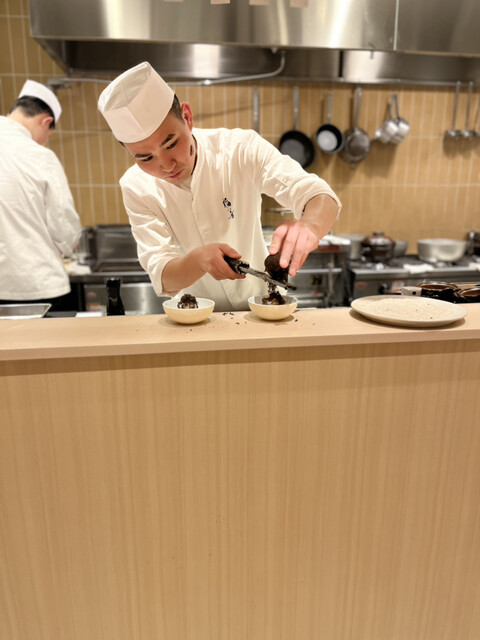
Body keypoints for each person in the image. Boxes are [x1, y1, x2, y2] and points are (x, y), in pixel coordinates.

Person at [98, 61, 341, 312]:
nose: (167, 166)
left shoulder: (240, 149)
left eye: (171, 144)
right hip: (194, 318)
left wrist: (310, 227)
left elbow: (317, 194)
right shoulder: (136, 186)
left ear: (187, 117)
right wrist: (199, 260)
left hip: (264, 310)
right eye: (145, 158)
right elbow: (163, 276)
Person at [0, 80, 81, 311]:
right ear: (46, 121)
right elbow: (65, 230)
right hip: (38, 286)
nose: (44, 140)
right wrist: (70, 244)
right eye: (48, 134)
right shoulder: (41, 157)